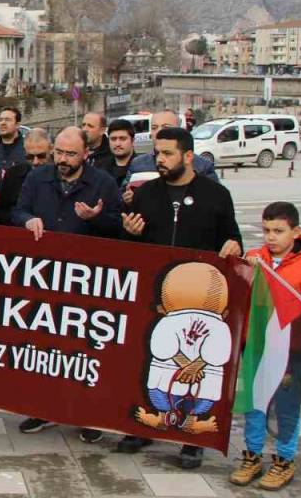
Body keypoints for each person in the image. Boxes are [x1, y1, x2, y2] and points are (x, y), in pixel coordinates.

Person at [117, 126, 243, 468]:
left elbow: (232, 241)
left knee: (194, 370)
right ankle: (142, 427)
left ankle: (190, 438)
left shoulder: (215, 196)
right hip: (156, 297)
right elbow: (130, 251)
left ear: (188, 157)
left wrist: (232, 247)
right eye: (158, 152)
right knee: (148, 363)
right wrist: (130, 235)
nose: (161, 159)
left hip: (198, 299)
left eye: (168, 153)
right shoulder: (146, 195)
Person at [12, 126, 123, 443]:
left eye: (70, 154)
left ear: (86, 154)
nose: (62, 159)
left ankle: (88, 415)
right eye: (58, 152)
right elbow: (18, 210)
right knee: (46, 349)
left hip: (86, 281)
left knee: (84, 352)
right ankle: (44, 409)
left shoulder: (103, 183)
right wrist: (26, 221)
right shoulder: (38, 178)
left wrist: (94, 218)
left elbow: (119, 228)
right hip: (45, 276)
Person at [230, 201, 301, 491]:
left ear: (295, 231)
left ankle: (284, 459)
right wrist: (243, 268)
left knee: (286, 406)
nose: (271, 237)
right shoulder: (255, 257)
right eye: (266, 230)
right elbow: (236, 287)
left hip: (290, 348)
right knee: (255, 403)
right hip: (257, 346)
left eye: (278, 231)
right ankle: (251, 455)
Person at [126, 110, 218, 201]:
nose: (159, 132)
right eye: (154, 128)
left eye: (165, 127)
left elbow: (215, 201)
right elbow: (122, 196)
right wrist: (127, 199)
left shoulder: (203, 166)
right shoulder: (138, 164)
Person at [0, 128, 50, 226]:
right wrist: (24, 220)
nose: (35, 162)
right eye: (30, 157)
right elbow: (2, 210)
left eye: (41, 156)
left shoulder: (63, 174)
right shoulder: (13, 174)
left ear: (51, 150)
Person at [0, 107, 25, 181]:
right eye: (0, 120)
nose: (3, 123)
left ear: (17, 125)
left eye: (7, 120)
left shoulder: (27, 148)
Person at [97, 119, 137, 187]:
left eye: (122, 139)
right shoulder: (99, 168)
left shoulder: (142, 167)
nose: (117, 144)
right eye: (113, 139)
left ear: (132, 141)